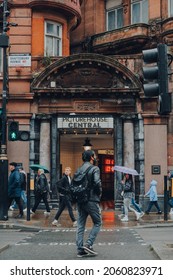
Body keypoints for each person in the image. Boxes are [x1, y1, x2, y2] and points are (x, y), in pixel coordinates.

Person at [75, 150, 102, 258]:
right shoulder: (95, 168)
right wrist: (99, 193)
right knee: (97, 222)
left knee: (80, 225)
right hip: (91, 200)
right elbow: (96, 182)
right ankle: (89, 244)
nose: (94, 158)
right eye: (94, 156)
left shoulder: (78, 169)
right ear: (91, 157)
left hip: (80, 200)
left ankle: (80, 250)